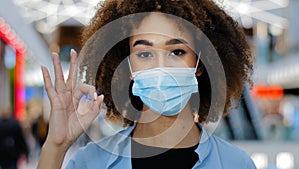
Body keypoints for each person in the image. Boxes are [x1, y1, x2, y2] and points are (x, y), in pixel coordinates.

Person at [38, 0, 256, 169]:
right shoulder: (93, 161)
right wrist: (56, 146)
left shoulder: (235, 164)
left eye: (177, 52)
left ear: (199, 63)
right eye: (144, 53)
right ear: (128, 67)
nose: (161, 67)